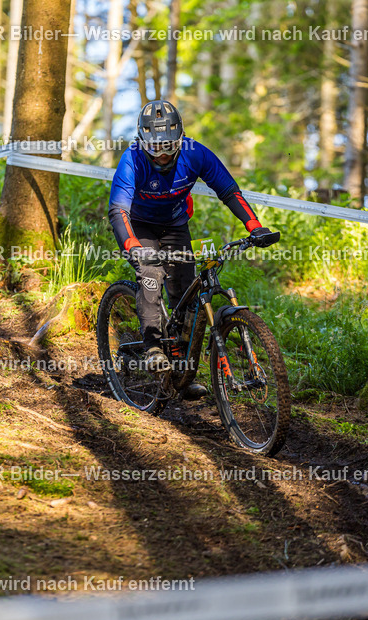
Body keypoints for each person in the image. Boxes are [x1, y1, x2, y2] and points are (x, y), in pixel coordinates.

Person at [107, 100, 278, 398]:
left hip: (175, 224)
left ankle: (181, 375)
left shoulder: (195, 153)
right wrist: (133, 246)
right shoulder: (132, 158)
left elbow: (229, 191)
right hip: (140, 226)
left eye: (168, 146)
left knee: (185, 293)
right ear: (142, 141)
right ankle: (153, 348)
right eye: (154, 148)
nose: (161, 155)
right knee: (150, 275)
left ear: (181, 139)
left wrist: (254, 227)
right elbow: (118, 209)